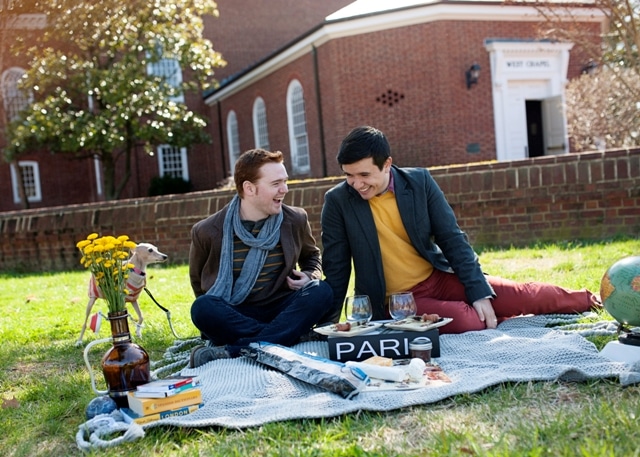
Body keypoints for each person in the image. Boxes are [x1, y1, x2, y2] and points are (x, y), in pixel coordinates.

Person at [321, 126, 600, 333]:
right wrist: (329, 325)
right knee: (467, 319)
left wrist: (478, 291)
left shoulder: (419, 183)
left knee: (521, 295)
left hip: (440, 276)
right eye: (349, 175)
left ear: (387, 165)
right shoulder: (337, 202)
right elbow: (337, 268)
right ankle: (497, 318)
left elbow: (452, 238)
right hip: (400, 303)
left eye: (364, 175)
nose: (356, 184)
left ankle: (593, 300)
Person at [188, 148, 333, 367]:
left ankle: (236, 350)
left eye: (285, 181)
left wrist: (309, 275)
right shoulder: (207, 231)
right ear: (249, 188)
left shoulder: (295, 219)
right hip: (235, 311)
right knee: (202, 308)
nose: (284, 189)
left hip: (283, 307)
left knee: (321, 291)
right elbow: (198, 281)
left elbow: (311, 256)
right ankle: (287, 336)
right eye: (276, 184)